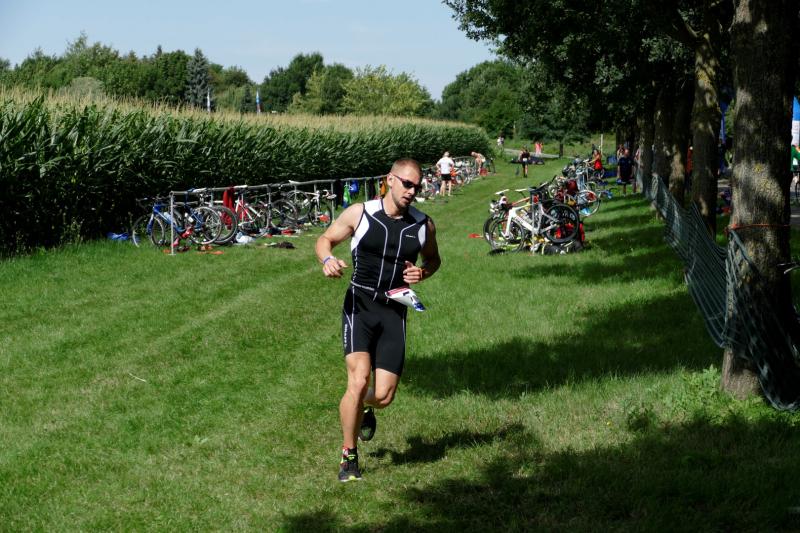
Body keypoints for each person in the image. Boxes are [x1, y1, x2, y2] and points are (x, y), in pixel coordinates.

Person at [316, 159, 441, 483]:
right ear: (390, 180)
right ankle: (349, 455)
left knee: (383, 396)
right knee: (357, 381)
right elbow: (324, 240)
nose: (412, 191)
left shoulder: (423, 225)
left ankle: (362, 406)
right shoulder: (361, 213)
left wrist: (423, 272)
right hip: (360, 305)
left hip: (394, 310)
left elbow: (433, 259)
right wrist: (327, 259)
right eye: (407, 184)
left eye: (416, 186)